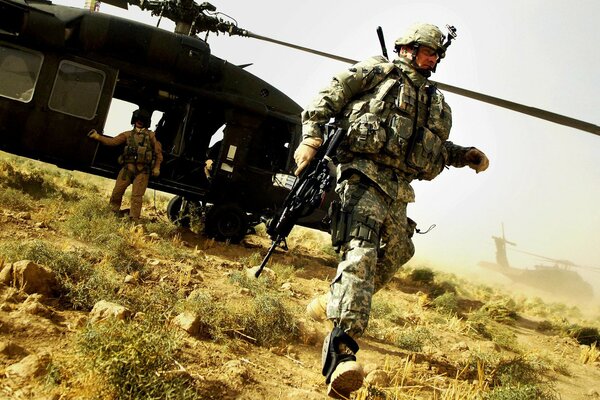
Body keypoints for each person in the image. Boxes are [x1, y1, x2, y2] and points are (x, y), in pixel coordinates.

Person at [294, 23, 489, 398]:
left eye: (436, 54)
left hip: (398, 190)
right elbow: (329, 96)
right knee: (361, 254)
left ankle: (331, 302)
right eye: (429, 51)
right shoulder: (377, 72)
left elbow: (433, 148)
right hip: (362, 176)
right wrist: (311, 137)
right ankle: (342, 351)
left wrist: (464, 156)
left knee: (400, 250)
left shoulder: (433, 100)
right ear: (408, 48)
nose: (433, 59)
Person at [88, 108, 163, 221]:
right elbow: (113, 142)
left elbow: (158, 154)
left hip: (143, 171)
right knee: (117, 191)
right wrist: (97, 137)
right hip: (128, 168)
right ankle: (112, 214)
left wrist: (157, 167)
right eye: (138, 119)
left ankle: (133, 220)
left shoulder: (151, 136)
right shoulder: (127, 134)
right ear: (134, 120)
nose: (139, 122)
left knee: (137, 197)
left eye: (142, 120)